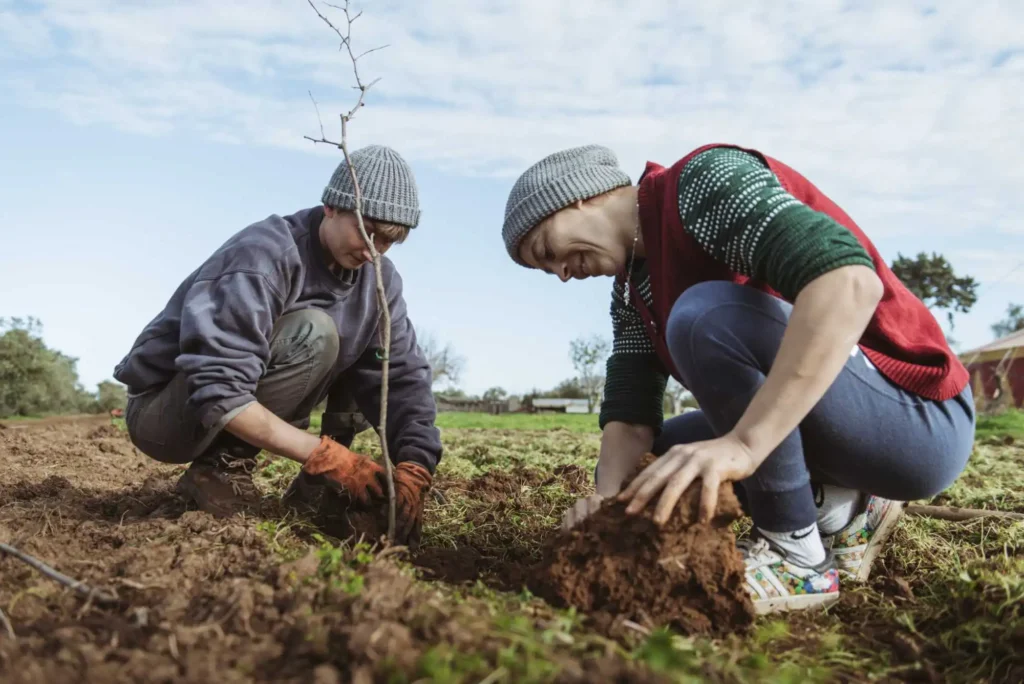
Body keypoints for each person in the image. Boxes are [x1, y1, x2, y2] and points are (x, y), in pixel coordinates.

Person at [501, 144, 975, 613]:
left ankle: (795, 556)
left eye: (548, 250)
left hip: (916, 418)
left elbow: (849, 283)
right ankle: (843, 509)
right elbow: (630, 418)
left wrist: (746, 445)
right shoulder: (631, 288)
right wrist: (605, 507)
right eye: (546, 270)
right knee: (657, 466)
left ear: (580, 195)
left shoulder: (702, 184)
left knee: (705, 317)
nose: (560, 273)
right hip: (848, 428)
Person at [114, 144, 441, 546]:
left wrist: (415, 466)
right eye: (367, 232)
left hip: (234, 405)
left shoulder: (380, 282)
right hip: (167, 413)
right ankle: (219, 467)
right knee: (316, 331)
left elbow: (402, 379)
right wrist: (326, 457)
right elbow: (219, 386)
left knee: (367, 356)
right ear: (332, 208)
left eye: (387, 243)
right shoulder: (265, 253)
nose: (373, 252)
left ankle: (320, 493)